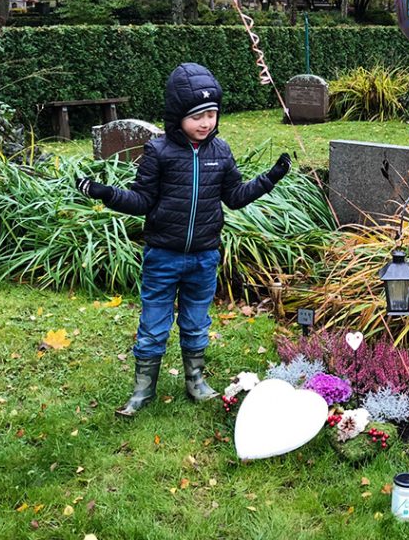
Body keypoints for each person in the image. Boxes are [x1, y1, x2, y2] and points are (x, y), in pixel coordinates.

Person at [76, 63, 290, 418]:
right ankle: (143, 390)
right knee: (154, 323)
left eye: (211, 114)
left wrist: (270, 179)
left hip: (204, 257)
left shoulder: (220, 153)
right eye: (197, 116)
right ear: (178, 117)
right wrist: (105, 193)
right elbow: (141, 201)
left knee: (195, 321)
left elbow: (234, 197)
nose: (206, 123)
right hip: (163, 256)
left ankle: (196, 381)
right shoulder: (158, 152)